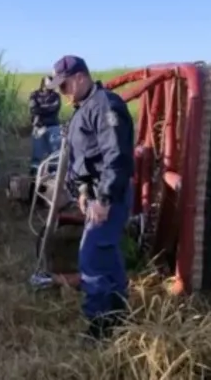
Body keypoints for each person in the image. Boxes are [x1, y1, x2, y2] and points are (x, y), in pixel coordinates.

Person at [46, 55, 135, 341]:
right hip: (95, 193)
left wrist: (104, 199)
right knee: (106, 254)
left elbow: (116, 157)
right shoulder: (83, 108)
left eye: (65, 86)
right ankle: (119, 314)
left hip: (110, 195)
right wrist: (84, 192)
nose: (63, 93)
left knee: (91, 258)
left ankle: (99, 328)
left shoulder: (105, 106)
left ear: (81, 77)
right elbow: (84, 157)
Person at [28, 75, 62, 171]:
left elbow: (54, 108)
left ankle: (54, 173)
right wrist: (46, 109)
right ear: (43, 83)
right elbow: (33, 109)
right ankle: (34, 174)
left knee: (55, 152)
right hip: (38, 127)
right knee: (37, 153)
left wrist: (41, 108)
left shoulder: (56, 96)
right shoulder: (34, 95)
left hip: (53, 127)